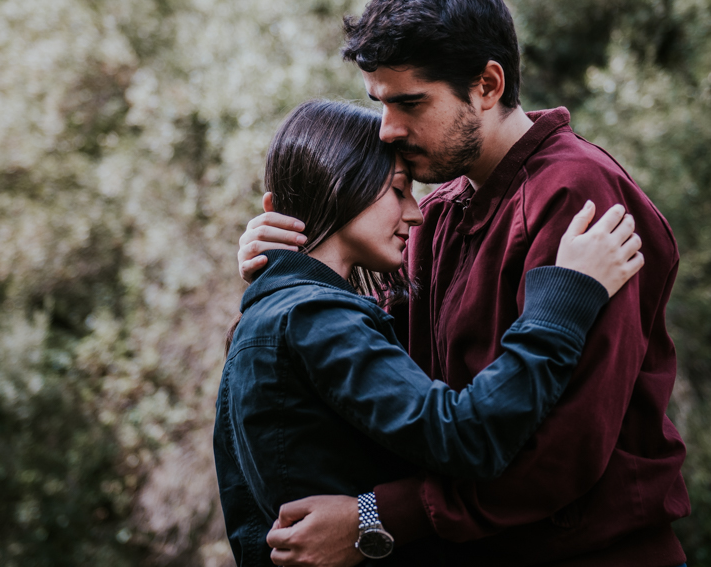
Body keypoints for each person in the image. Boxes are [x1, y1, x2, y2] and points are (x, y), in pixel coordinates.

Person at [238, 1, 690, 566]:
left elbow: (564, 452)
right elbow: (385, 387)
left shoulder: (580, 200)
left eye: (410, 102)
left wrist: (377, 517)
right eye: (381, 102)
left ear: (487, 84)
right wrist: (286, 268)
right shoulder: (440, 213)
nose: (388, 129)